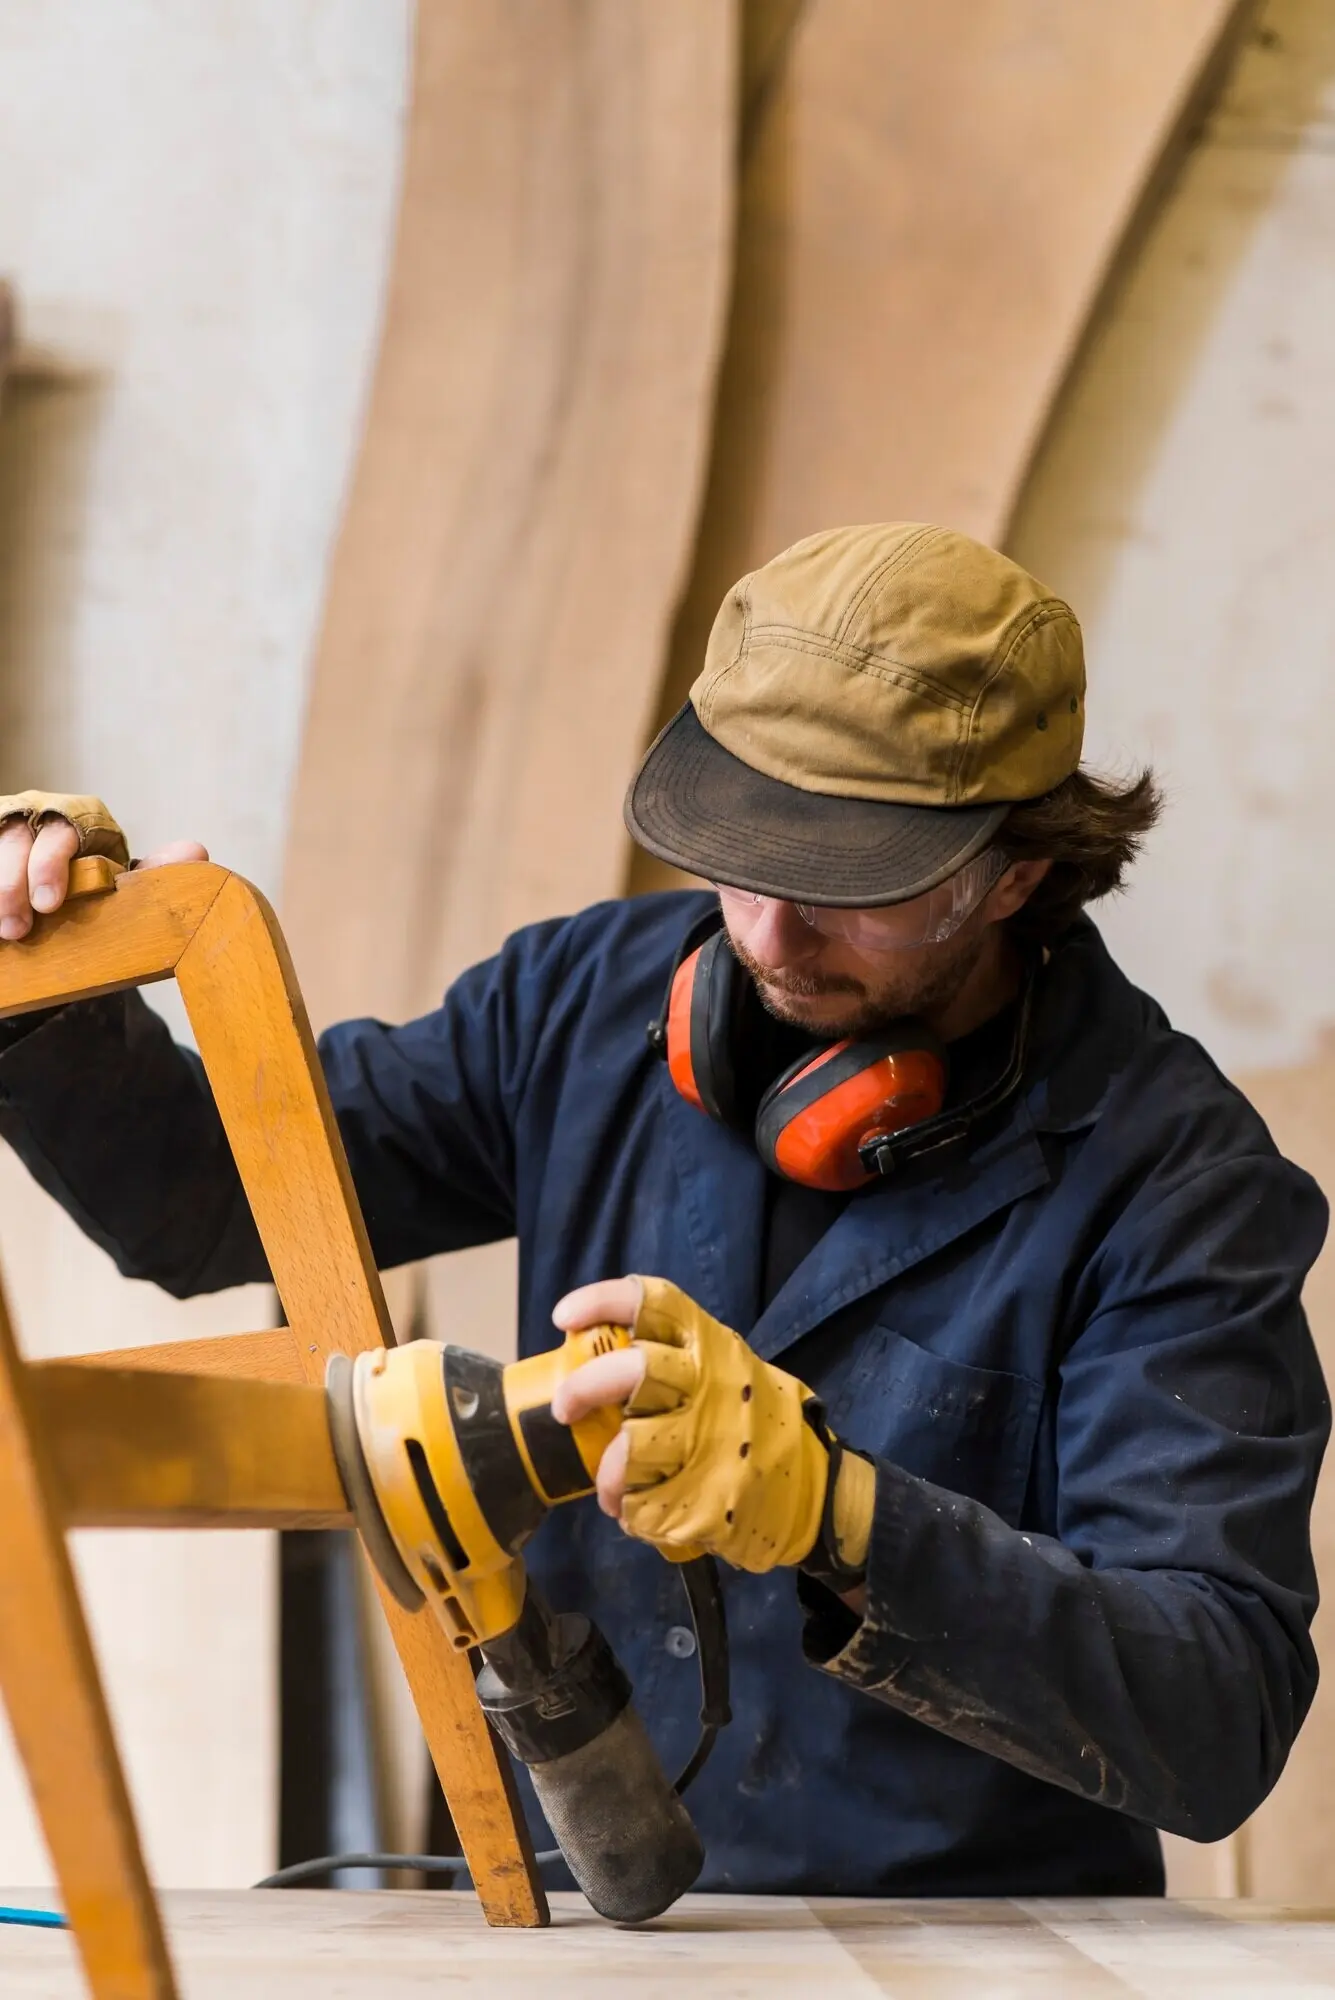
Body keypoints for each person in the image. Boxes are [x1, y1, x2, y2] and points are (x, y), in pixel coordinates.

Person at [0, 522, 1326, 1898]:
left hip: (962, 1952)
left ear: (1018, 872)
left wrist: (846, 1519)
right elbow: (205, 1210)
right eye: (745, 859)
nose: (764, 938)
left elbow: (1213, 1716)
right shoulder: (580, 1008)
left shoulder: (1177, 1186)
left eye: (850, 888)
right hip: (566, 1923)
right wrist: (45, 995)